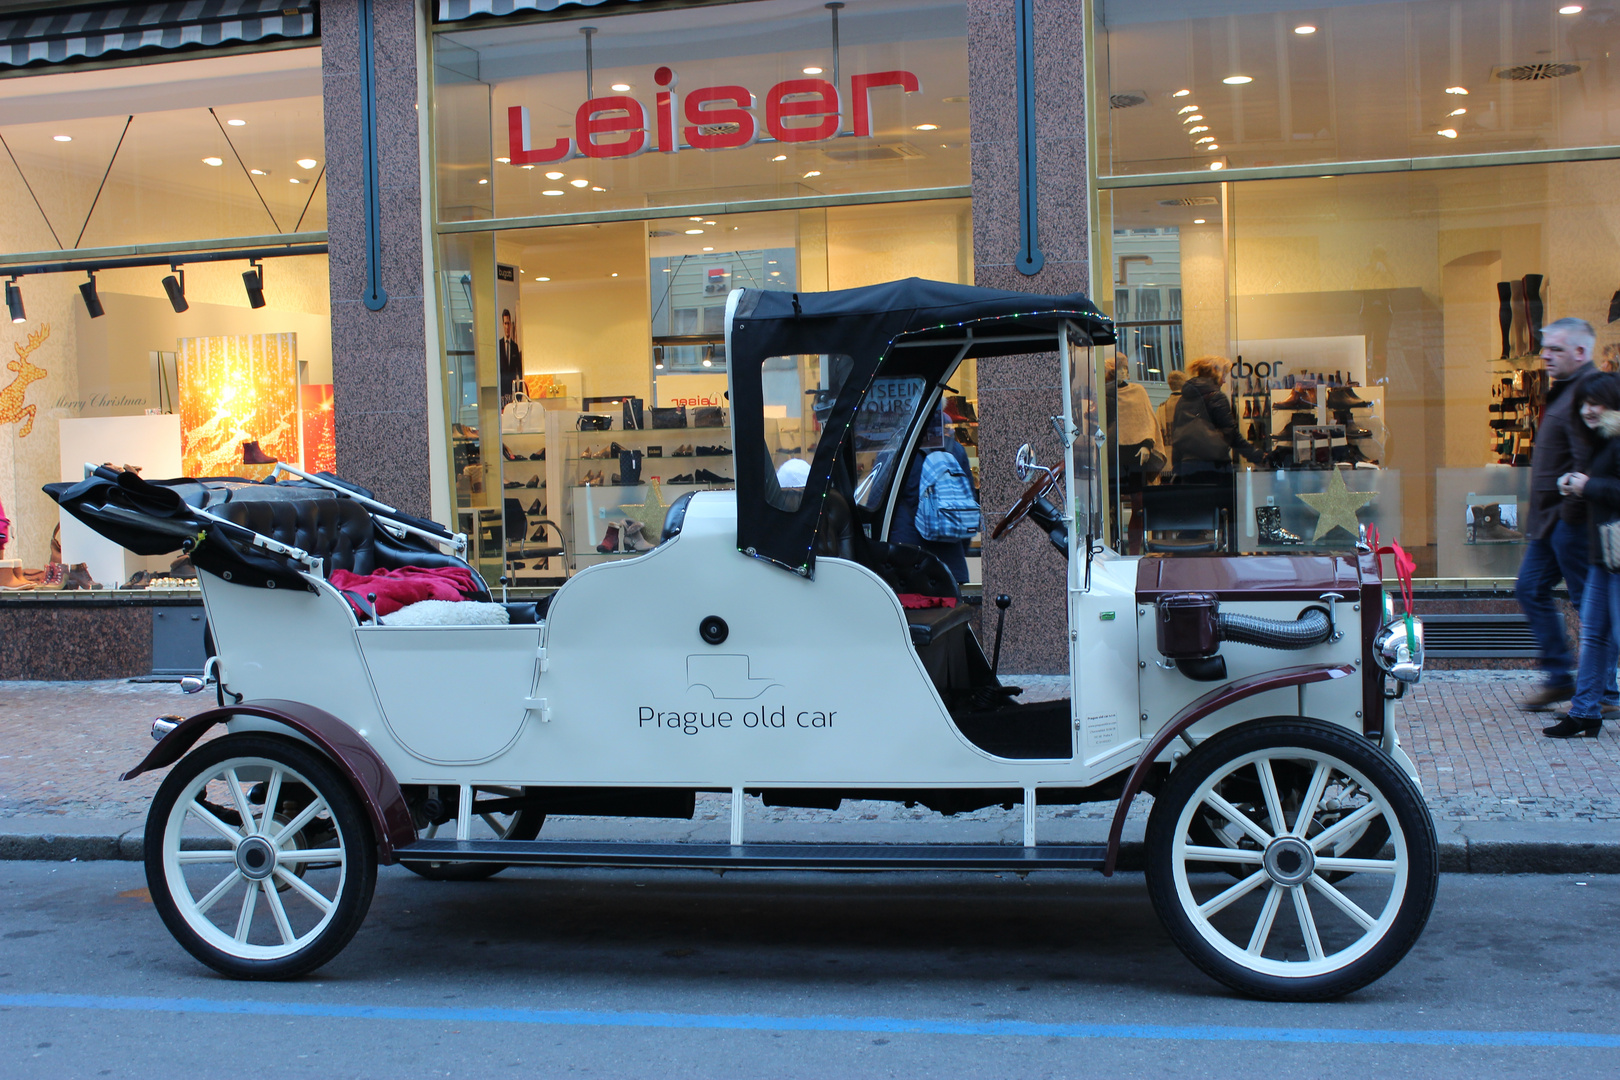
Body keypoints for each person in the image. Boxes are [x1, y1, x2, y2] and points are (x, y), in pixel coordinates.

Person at [1515, 316, 1610, 712]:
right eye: (1545, 348)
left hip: (1570, 522)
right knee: (1530, 589)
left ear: (1580, 352)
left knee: (1591, 606)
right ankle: (1560, 676)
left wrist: (1568, 517)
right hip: (1553, 523)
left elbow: (1589, 461)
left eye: (1555, 349)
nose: (1545, 356)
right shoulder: (1566, 389)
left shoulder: (1588, 392)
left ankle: (1603, 692)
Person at [1546, 370, 1620, 737]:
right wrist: (1575, 484)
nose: (1589, 410)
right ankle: (1585, 711)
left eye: (1596, 403)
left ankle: (1588, 709)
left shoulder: (1614, 439)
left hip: (1615, 557)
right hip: (1604, 556)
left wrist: (1588, 485)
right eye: (1585, 404)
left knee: (1611, 635)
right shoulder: (1600, 439)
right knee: (1593, 635)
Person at [889, 405, 976, 584]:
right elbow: (969, 503)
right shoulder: (956, 450)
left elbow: (877, 501)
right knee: (950, 611)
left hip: (907, 560)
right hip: (951, 566)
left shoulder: (897, 450)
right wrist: (959, 545)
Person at [1169, 355, 1262, 479]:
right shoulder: (1216, 396)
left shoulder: (1183, 399)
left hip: (1188, 467)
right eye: (1224, 375)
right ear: (1215, 374)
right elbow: (1231, 434)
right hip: (1214, 467)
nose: (1224, 380)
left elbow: (1177, 436)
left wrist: (1177, 467)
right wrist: (1256, 456)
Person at [1155, 368, 1186, 457]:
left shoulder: (1161, 408)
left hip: (1167, 455)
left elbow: (1157, 432)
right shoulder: (1190, 405)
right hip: (1187, 454)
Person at [497, 308, 524, 403]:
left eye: (508, 323)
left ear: (511, 325)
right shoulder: (498, 346)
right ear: (502, 324)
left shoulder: (515, 347)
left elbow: (519, 371)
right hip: (501, 391)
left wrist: (519, 391)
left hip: (512, 390)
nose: (507, 327)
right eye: (505, 323)